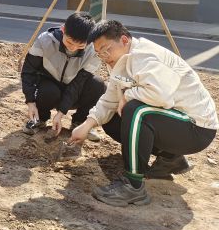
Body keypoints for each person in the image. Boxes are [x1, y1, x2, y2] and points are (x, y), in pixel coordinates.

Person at [70, 20, 218, 207]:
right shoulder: (120, 61)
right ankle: (170, 159)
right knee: (112, 119)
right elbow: (109, 99)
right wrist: (87, 125)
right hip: (174, 123)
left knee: (136, 111)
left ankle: (133, 186)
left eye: (106, 49)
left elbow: (160, 96)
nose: (104, 57)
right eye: (99, 53)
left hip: (196, 127)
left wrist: (127, 96)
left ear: (124, 40)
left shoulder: (146, 56)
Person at [21, 12, 105, 141]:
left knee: (98, 84)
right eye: (70, 42)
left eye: (80, 46)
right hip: (49, 87)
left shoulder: (93, 51)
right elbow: (28, 71)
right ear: (63, 29)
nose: (73, 48)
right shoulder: (45, 40)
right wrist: (30, 102)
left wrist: (60, 114)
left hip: (75, 91)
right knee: (48, 91)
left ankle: (80, 122)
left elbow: (78, 84)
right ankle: (40, 118)